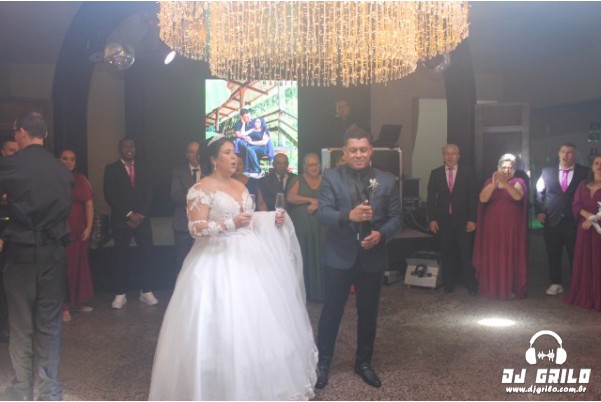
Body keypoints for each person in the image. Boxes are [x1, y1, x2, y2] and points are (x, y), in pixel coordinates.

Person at [148, 136, 317, 400]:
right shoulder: (200, 189)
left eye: (234, 153)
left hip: (250, 257)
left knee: (258, 323)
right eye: (227, 152)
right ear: (213, 159)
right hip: (215, 259)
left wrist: (270, 217)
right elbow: (195, 228)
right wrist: (229, 225)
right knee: (220, 323)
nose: (234, 157)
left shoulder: (240, 185)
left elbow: (248, 219)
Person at [315, 128, 402, 389]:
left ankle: (363, 363)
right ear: (345, 152)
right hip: (338, 256)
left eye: (363, 149)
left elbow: (397, 218)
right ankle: (323, 364)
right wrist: (348, 216)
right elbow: (323, 214)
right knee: (331, 312)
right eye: (353, 150)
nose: (358, 154)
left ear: (371, 151)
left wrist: (381, 235)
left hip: (372, 257)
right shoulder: (331, 177)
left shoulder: (386, 180)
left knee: (368, 314)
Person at [0, 112, 73, 400]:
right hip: (54, 253)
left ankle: (21, 390)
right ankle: (49, 392)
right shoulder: (62, 170)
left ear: (20, 132)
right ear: (44, 134)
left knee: (21, 326)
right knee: (50, 327)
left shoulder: (11, 165)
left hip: (21, 253)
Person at [103, 138, 158, 309]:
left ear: (135, 149)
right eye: (125, 146)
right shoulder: (111, 169)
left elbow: (149, 194)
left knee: (147, 254)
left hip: (142, 220)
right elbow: (110, 195)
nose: (129, 149)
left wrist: (140, 215)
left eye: (132, 146)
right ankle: (120, 294)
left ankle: (146, 291)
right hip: (121, 220)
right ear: (119, 149)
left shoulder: (144, 168)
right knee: (120, 257)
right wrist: (128, 215)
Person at [535, 143, 589, 296]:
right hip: (552, 220)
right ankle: (555, 283)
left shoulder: (584, 172)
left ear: (575, 155)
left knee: (576, 255)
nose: (566, 155)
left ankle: (577, 285)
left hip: (574, 221)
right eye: (563, 152)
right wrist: (539, 211)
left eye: (569, 152)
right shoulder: (547, 171)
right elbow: (539, 192)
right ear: (558, 154)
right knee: (553, 253)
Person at [472, 154, 528, 300]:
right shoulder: (489, 182)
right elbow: (482, 198)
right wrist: (494, 184)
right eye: (503, 167)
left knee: (509, 254)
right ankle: (492, 287)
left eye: (510, 168)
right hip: (492, 226)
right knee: (493, 254)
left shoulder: (518, 181)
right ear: (498, 169)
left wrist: (505, 183)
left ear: (514, 170)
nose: (506, 170)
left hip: (512, 226)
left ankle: (509, 288)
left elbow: (518, 196)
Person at [426, 144, 478, 295]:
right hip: (443, 221)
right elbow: (431, 199)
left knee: (466, 253)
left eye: (453, 154)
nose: (449, 157)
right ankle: (449, 284)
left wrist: (472, 219)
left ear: (458, 156)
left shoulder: (468, 173)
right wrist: (432, 219)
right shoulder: (435, 173)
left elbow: (473, 197)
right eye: (446, 154)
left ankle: (471, 284)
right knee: (446, 253)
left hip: (463, 221)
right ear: (443, 155)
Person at [59, 149, 94, 322]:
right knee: (64, 268)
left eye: (72, 159)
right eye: (64, 158)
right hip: (61, 230)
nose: (68, 162)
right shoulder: (54, 178)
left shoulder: (80, 179)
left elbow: (89, 205)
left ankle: (78, 302)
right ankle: (64, 306)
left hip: (79, 230)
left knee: (80, 266)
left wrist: (88, 227)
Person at [287, 153, 325, 302]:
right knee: (303, 255)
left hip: (321, 227)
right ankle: (304, 293)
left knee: (320, 254)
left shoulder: (325, 180)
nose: (314, 167)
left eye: (316, 164)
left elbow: (333, 198)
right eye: (311, 165)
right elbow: (290, 198)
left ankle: (320, 292)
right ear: (305, 167)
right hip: (302, 226)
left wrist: (318, 204)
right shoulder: (298, 179)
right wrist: (310, 199)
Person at [565, 155, 601, 310]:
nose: (599, 166)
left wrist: (593, 219)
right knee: (584, 260)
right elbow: (576, 205)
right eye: (596, 163)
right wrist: (588, 217)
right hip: (584, 229)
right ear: (592, 166)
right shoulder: (583, 184)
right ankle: (584, 294)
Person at [170, 141, 201, 274]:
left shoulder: (210, 170)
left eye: (198, 152)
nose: (195, 155)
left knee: (202, 261)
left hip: (205, 224)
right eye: (191, 152)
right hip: (183, 222)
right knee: (182, 261)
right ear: (186, 155)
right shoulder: (178, 171)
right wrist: (198, 199)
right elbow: (175, 196)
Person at [0, 134, 18, 342]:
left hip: (18, 235)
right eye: (12, 151)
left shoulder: (23, 172)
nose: (15, 154)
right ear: (3, 152)